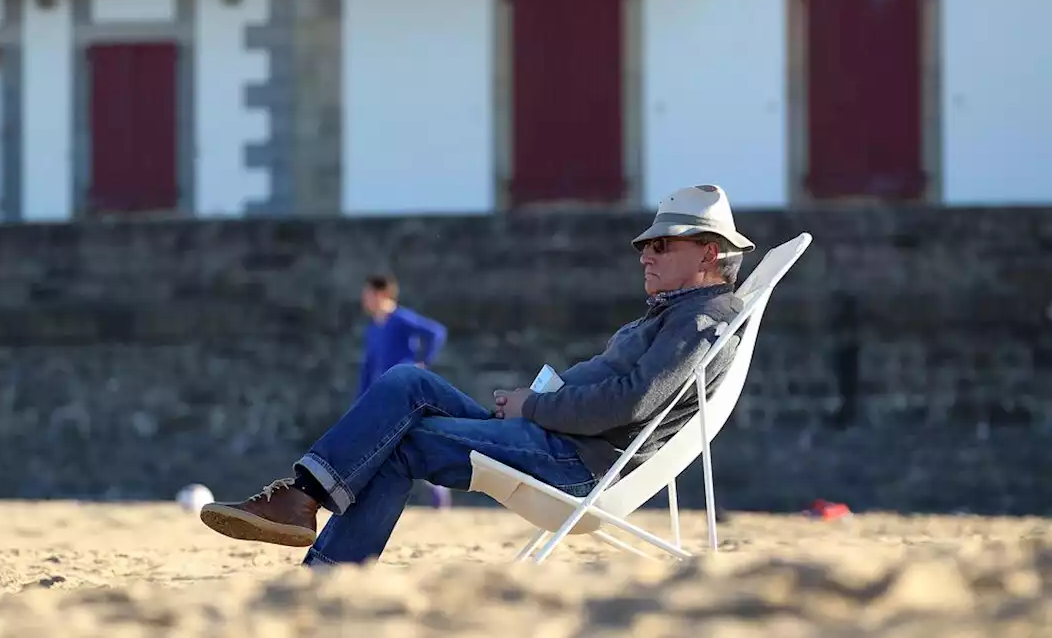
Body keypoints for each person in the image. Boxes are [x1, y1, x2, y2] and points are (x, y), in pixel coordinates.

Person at [200, 185, 754, 567]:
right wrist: (532, 403)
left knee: (399, 444)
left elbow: (631, 402)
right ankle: (303, 499)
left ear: (709, 253)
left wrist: (531, 408)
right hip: (554, 438)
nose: (645, 255)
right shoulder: (678, 312)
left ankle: (320, 547)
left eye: (662, 244)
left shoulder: (702, 318)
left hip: (574, 462)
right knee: (406, 383)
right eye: (644, 245)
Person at [356, 274, 452, 510]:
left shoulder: (400, 319)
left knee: (406, 440)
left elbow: (436, 332)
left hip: (403, 391)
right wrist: (361, 398)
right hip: (382, 393)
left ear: (381, 294)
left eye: (367, 294)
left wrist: (422, 362)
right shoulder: (373, 328)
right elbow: (369, 365)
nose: (364, 300)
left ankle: (438, 486)